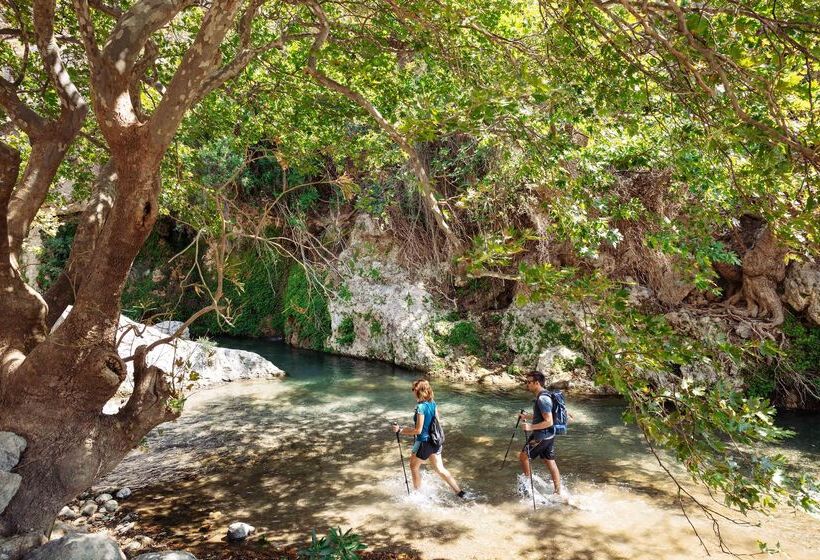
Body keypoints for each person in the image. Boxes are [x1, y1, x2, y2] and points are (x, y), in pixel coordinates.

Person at [390, 379, 465, 497]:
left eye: (414, 390)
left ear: (420, 391)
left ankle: (417, 495)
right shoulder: (433, 403)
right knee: (440, 468)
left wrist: (400, 430)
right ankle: (459, 492)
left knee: (414, 467)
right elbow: (437, 423)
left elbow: (418, 430)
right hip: (435, 441)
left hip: (423, 442)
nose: (413, 392)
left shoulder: (420, 408)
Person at [518, 371, 562, 495]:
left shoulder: (543, 399)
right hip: (548, 434)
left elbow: (549, 421)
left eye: (529, 382)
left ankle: (529, 488)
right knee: (549, 461)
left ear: (536, 383)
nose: (527, 384)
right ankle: (558, 492)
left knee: (524, 457)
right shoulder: (544, 394)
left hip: (542, 436)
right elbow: (542, 416)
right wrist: (527, 416)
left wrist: (530, 427)